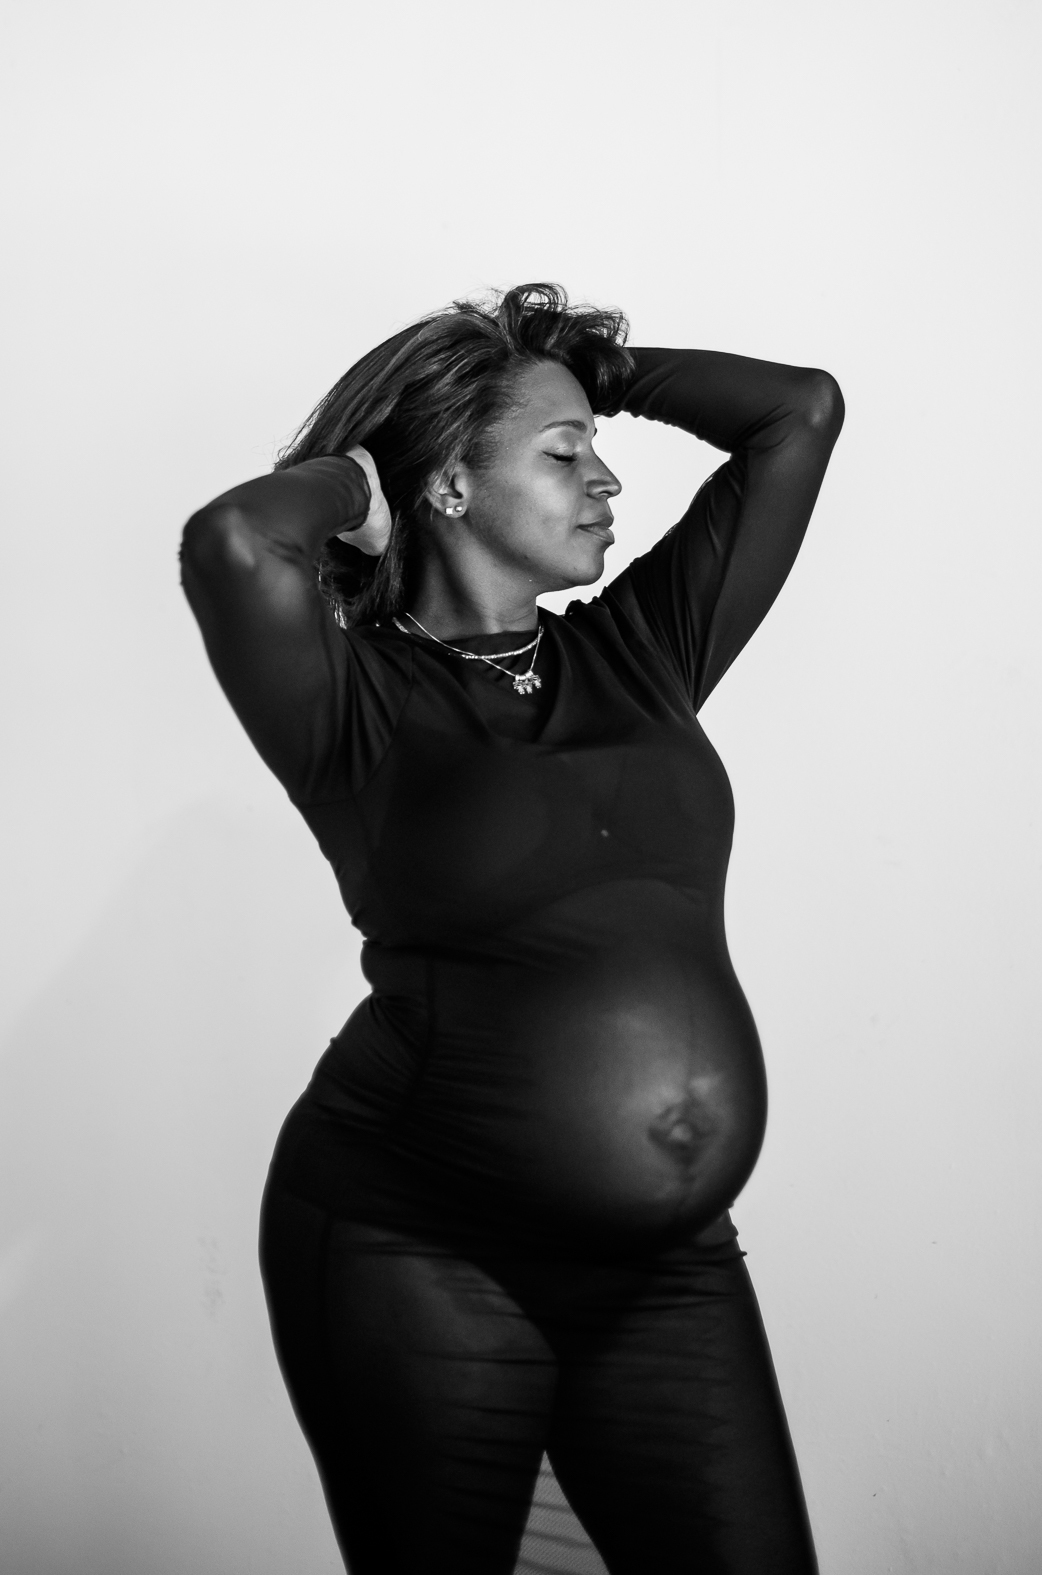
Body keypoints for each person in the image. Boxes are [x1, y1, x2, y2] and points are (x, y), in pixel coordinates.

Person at [180, 282, 844, 1575]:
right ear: (448, 486)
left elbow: (797, 415)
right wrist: (357, 483)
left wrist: (590, 371)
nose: (606, 477)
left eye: (597, 446)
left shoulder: (645, 652)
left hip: (662, 1264)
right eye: (562, 451)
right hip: (421, 1245)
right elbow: (231, 542)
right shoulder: (353, 704)